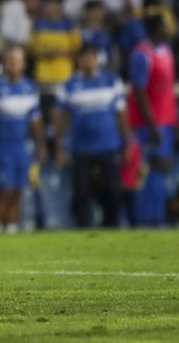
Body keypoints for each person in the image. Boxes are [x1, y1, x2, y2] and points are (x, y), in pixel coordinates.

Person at [55, 44, 131, 228]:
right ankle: (83, 228)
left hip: (109, 145)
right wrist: (59, 148)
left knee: (113, 190)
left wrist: (127, 142)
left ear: (97, 59)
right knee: (81, 192)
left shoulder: (112, 82)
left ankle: (111, 225)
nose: (89, 60)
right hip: (81, 148)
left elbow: (121, 114)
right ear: (79, 60)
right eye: (85, 57)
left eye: (92, 56)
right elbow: (61, 119)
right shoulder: (68, 86)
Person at [0, 46, 47, 233]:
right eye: (10, 60)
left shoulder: (29, 88)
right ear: (5, 63)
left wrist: (40, 144)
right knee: (4, 189)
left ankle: (11, 227)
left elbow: (35, 121)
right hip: (3, 146)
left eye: (17, 60)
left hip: (21, 146)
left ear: (24, 64)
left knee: (18, 189)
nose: (13, 64)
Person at [128, 14, 177, 226]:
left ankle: (157, 215)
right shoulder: (141, 55)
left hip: (166, 118)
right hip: (148, 122)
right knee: (147, 167)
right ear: (157, 28)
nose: (169, 30)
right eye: (166, 26)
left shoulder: (166, 51)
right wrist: (152, 123)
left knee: (163, 166)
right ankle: (144, 217)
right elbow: (139, 91)